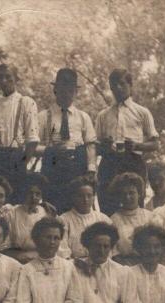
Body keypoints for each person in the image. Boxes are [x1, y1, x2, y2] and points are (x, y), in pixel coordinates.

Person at [95, 69, 159, 215]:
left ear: (130, 85)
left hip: (133, 162)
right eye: (114, 85)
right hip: (109, 162)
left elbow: (155, 144)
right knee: (108, 206)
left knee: (135, 206)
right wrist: (104, 146)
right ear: (110, 88)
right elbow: (95, 147)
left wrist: (137, 145)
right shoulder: (103, 115)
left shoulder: (141, 112)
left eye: (122, 84)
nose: (118, 88)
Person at [37, 68, 97, 214]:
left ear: (76, 92)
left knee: (78, 210)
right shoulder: (43, 116)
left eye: (70, 89)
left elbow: (90, 145)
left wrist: (91, 169)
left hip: (77, 169)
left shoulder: (83, 117)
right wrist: (49, 150)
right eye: (63, 88)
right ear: (55, 89)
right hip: (53, 170)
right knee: (54, 209)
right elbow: (32, 146)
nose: (66, 92)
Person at [0, 63, 39, 203]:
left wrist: (22, 164)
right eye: (0, 77)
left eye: (8, 77)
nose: (4, 81)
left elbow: (32, 140)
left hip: (15, 160)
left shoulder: (26, 102)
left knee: (14, 202)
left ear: (16, 79)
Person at [108, 172, 158, 264]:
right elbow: (113, 251)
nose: (127, 197)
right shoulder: (113, 220)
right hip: (123, 266)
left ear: (139, 194)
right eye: (124, 194)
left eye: (132, 193)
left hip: (147, 264)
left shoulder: (150, 217)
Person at [58, 176, 110, 259]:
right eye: (80, 196)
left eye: (89, 196)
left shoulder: (103, 219)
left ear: (94, 197)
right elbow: (62, 250)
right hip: (73, 265)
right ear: (73, 197)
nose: (86, 200)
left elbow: (110, 249)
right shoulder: (63, 220)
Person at [5, 173, 52, 264]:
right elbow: (5, 245)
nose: (34, 197)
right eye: (30, 193)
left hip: (41, 260)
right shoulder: (12, 213)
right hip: (16, 260)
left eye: (37, 194)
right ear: (24, 193)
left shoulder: (46, 213)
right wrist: (19, 256)